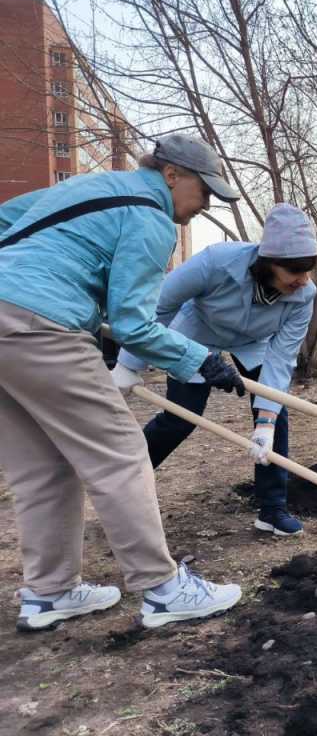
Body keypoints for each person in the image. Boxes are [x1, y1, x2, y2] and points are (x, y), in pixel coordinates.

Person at [0, 133, 245, 631]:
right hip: (41, 324)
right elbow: (135, 325)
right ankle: (163, 588)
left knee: (42, 467)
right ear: (171, 174)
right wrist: (202, 359)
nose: (204, 204)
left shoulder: (87, 187)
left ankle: (49, 593)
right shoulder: (151, 218)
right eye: (204, 191)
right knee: (122, 453)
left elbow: (8, 220)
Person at [115, 203, 317, 536]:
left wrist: (265, 423)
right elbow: (160, 307)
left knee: (275, 415)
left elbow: (281, 358)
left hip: (254, 343)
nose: (303, 280)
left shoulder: (303, 295)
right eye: (295, 270)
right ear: (269, 262)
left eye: (308, 269)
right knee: (181, 418)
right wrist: (129, 363)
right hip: (197, 336)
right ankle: (121, 486)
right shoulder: (217, 262)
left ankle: (271, 509)